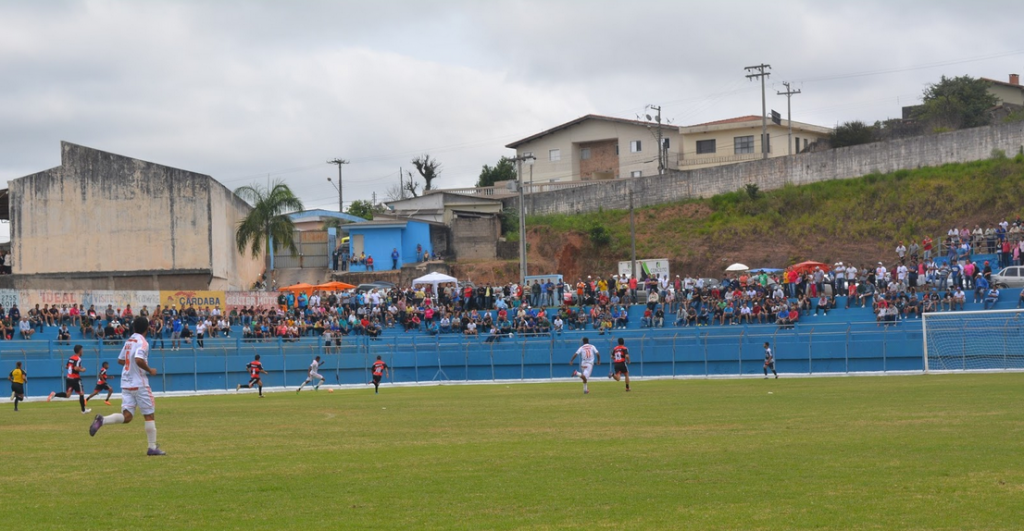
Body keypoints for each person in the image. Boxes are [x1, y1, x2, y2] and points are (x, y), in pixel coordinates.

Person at [89, 317, 166, 456]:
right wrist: (150, 370)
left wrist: (130, 365)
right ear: (147, 328)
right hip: (140, 383)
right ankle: (152, 447)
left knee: (127, 416)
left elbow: (120, 360)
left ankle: (102, 420)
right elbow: (138, 359)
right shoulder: (143, 342)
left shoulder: (129, 340)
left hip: (126, 383)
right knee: (149, 415)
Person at [47, 344, 91, 414]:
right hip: (75, 378)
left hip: (69, 378)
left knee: (68, 395)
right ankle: (83, 410)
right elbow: (76, 368)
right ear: (79, 351)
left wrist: (76, 367)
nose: (83, 351)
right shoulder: (78, 359)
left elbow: (66, 366)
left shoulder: (71, 358)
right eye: (82, 350)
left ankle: (54, 394)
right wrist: (83, 370)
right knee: (81, 393)